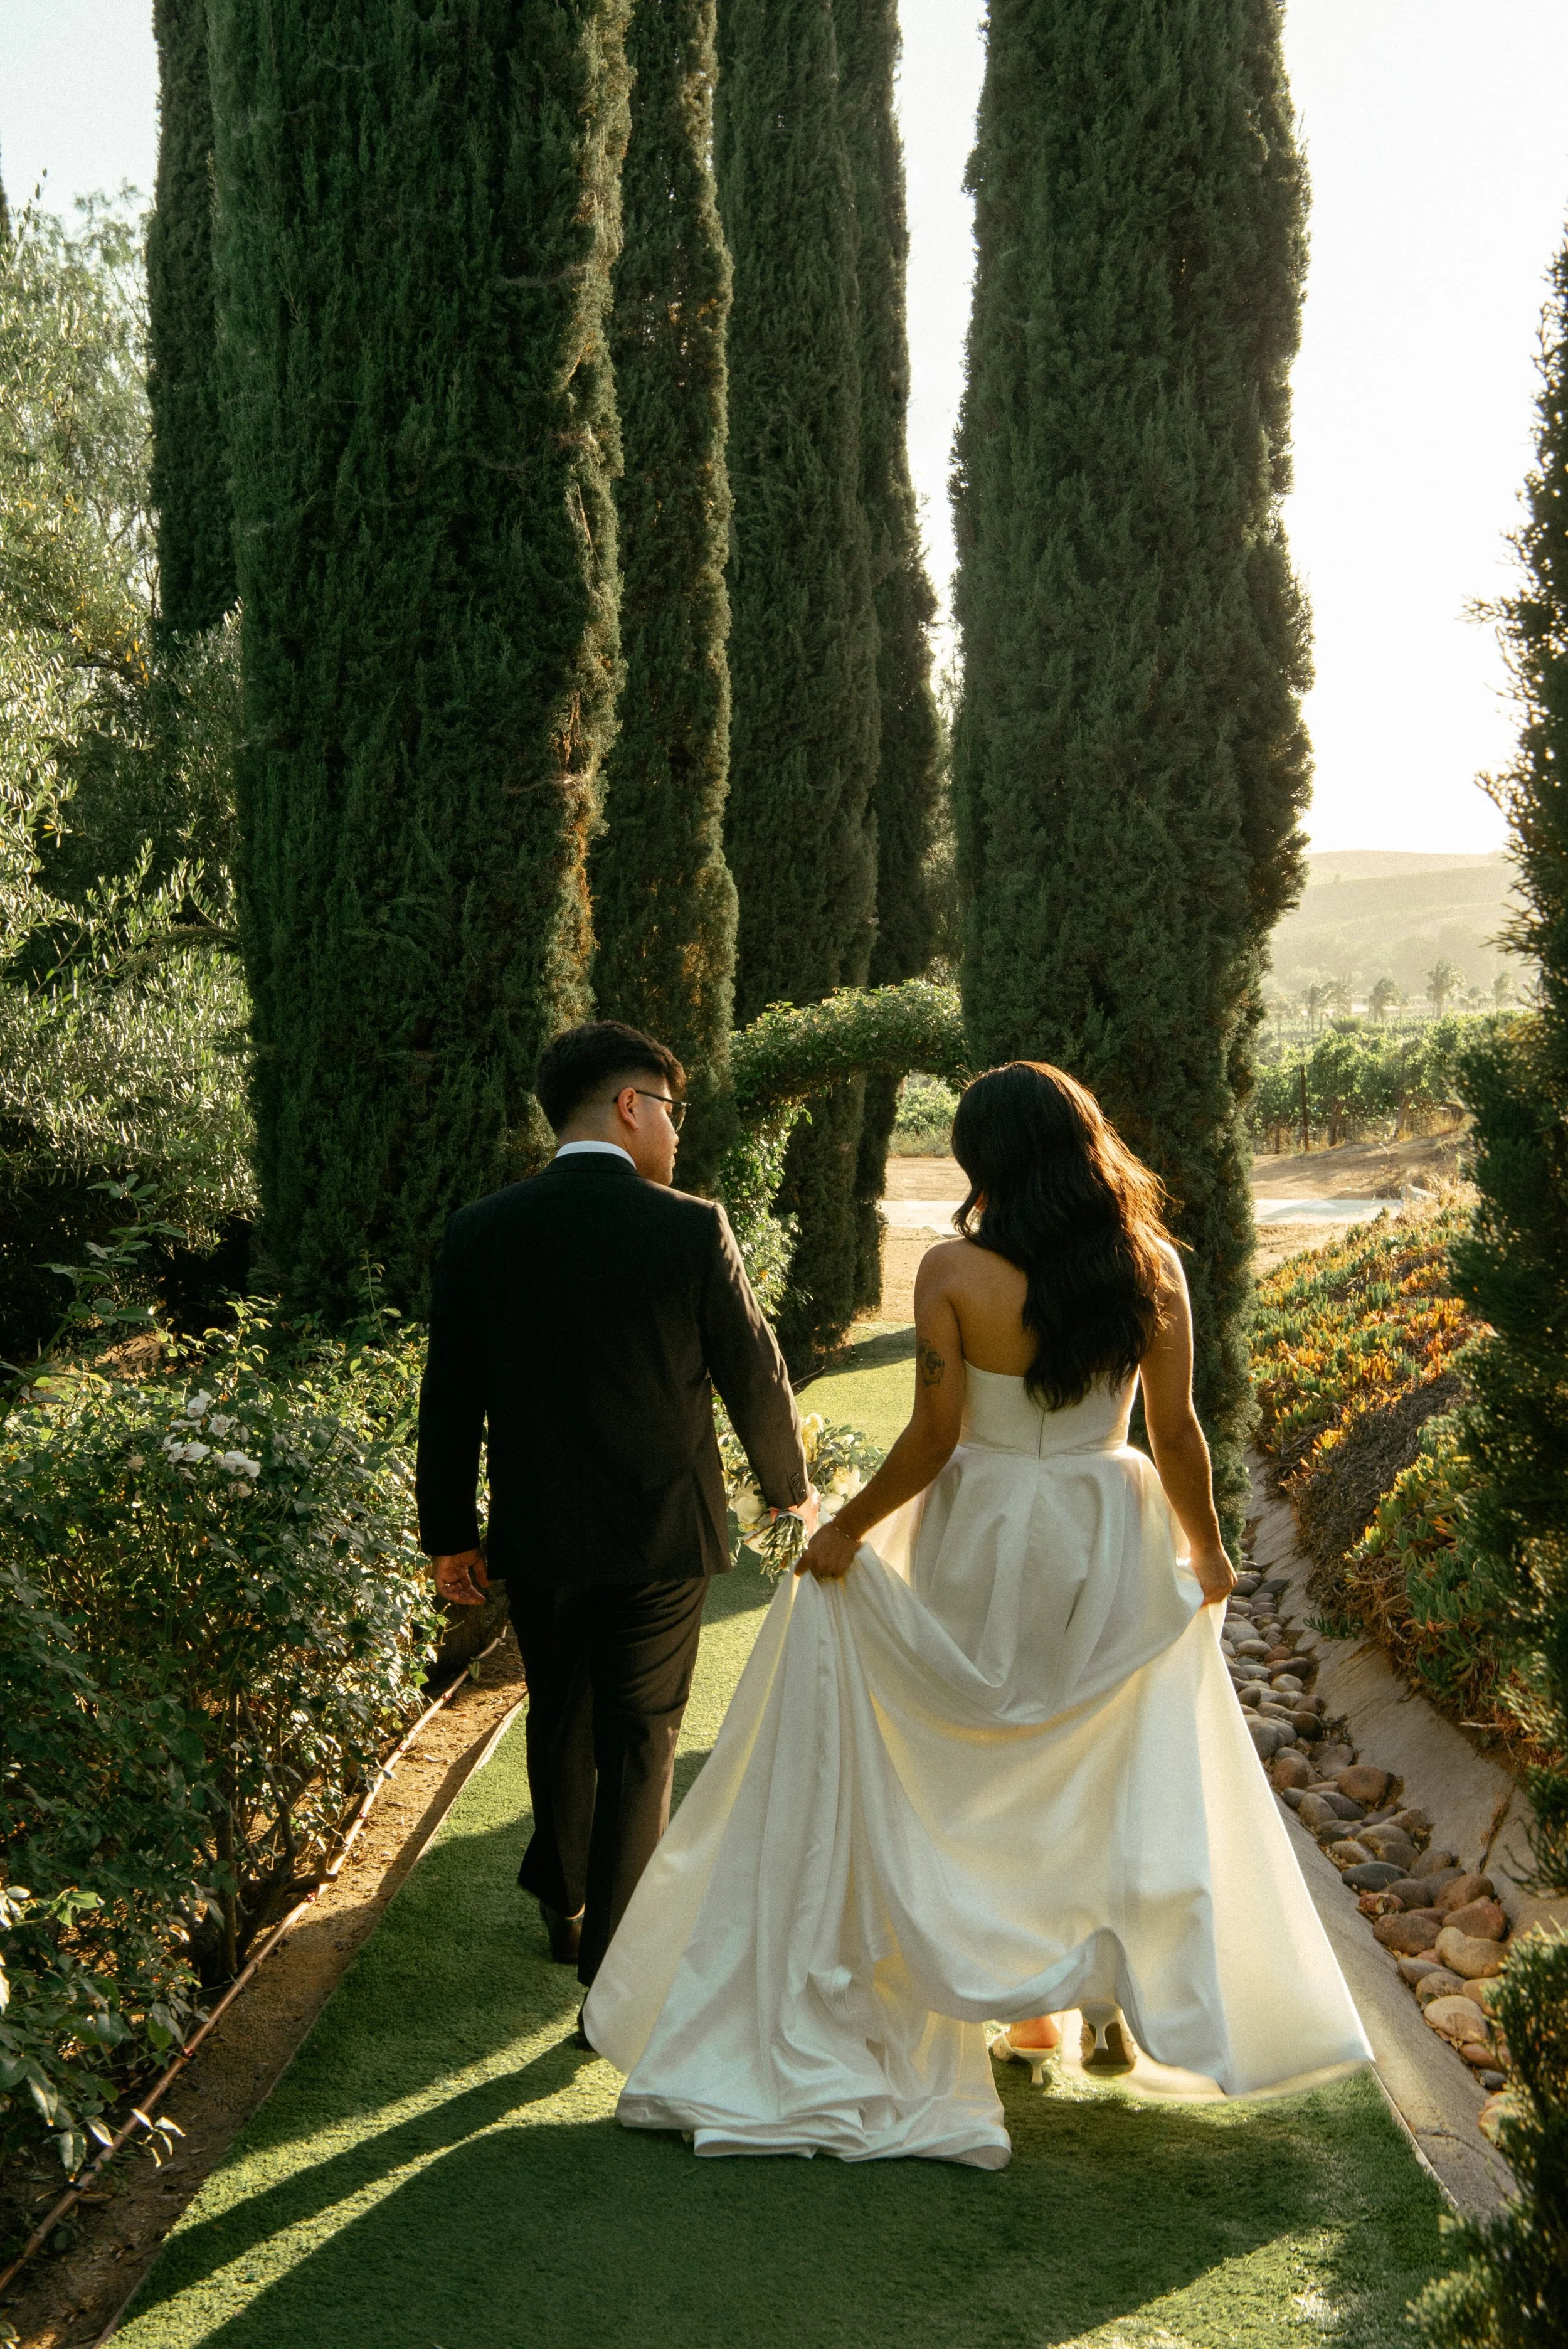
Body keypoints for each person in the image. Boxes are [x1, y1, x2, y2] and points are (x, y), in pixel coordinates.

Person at [581, 1061, 1370, 2166]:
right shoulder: (1155, 1265)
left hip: (984, 1525)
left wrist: (847, 1526)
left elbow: (936, 1437)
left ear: (984, 1163)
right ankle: (1092, 2003)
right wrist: (1208, 1546)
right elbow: (1178, 1431)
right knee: (1100, 1761)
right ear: (1086, 1141)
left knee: (975, 1763)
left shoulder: (953, 1270)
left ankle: (1017, 2000)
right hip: (1110, 1525)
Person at [415, 1021, 812, 2001]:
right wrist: (788, 1489)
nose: (677, 1134)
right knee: (643, 1737)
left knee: (561, 1712)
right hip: (663, 1533)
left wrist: (449, 1536)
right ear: (630, 1107)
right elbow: (754, 1378)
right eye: (670, 1110)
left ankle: (568, 1904)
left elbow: (449, 1396)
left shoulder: (482, 1230)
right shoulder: (689, 1225)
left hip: (540, 1532)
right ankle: (617, 1968)